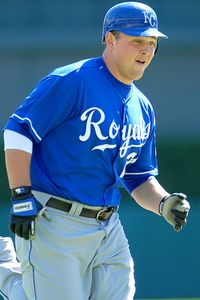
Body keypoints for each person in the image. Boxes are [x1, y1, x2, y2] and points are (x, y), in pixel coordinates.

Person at [1, 2, 190, 300]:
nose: (146, 50)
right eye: (137, 40)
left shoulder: (143, 107)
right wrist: (21, 195)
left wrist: (164, 203)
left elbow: (138, 178)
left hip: (108, 227)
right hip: (55, 220)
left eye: (151, 42)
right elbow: (18, 131)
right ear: (110, 40)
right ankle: (5, 271)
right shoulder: (72, 80)